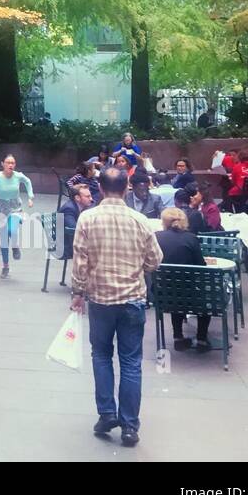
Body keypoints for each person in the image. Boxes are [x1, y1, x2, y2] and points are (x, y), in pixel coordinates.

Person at [70, 166, 162, 448]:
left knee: (101, 355)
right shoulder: (140, 220)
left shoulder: (87, 219)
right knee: (131, 362)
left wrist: (78, 293)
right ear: (126, 189)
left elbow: (79, 262)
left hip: (100, 300)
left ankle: (107, 413)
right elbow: (155, 260)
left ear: (99, 189)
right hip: (133, 300)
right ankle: (130, 426)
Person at [155, 208, 212, 351]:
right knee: (203, 297)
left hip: (163, 294)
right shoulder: (191, 238)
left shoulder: (156, 237)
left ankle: (178, 337)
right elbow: (201, 266)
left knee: (175, 290)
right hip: (190, 294)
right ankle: (202, 339)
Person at [0, 154, 34, 278]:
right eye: (8, 162)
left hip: (15, 207)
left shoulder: (18, 176)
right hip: (0, 209)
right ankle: (5, 266)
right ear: (2, 164)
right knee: (4, 239)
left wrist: (30, 197)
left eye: (13, 163)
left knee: (12, 230)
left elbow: (28, 182)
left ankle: (15, 247)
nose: (11, 165)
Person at [60, 185, 94, 258]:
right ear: (77, 198)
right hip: (64, 248)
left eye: (90, 196)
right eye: (87, 197)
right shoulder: (69, 209)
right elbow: (73, 228)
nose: (91, 199)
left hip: (71, 242)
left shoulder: (78, 207)